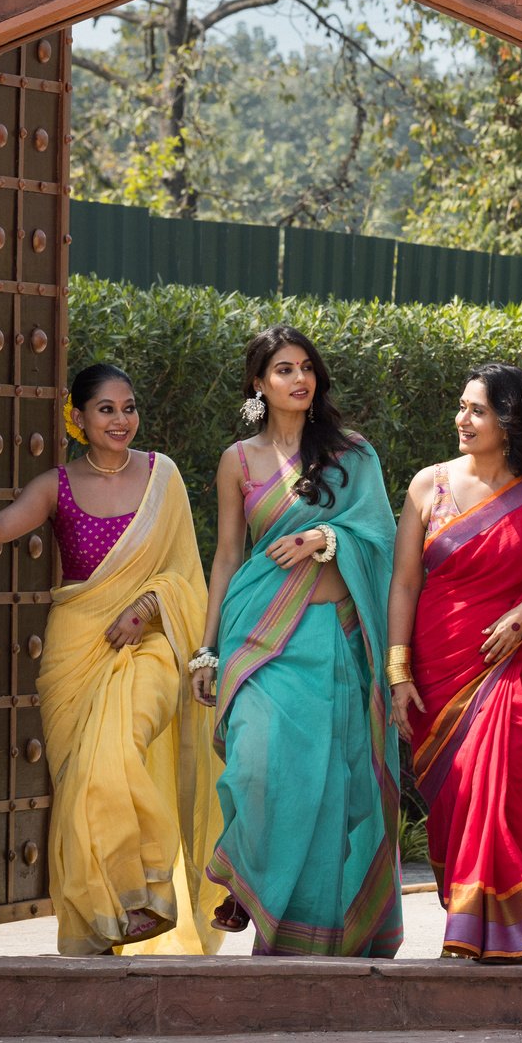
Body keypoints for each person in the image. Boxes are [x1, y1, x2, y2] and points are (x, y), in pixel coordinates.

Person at [0, 363, 221, 957]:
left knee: (117, 754)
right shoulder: (57, 484)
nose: (121, 420)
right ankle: (103, 918)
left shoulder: (164, 476)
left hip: (152, 641)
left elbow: (187, 575)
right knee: (82, 780)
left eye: (129, 407)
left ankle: (145, 893)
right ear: (77, 418)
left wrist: (148, 606)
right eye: (106, 409)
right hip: (76, 649)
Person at [189, 325, 402, 957]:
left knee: (327, 782)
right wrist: (207, 649)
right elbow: (228, 555)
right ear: (259, 383)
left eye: (306, 367)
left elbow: (382, 538)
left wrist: (324, 540)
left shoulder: (352, 454)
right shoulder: (238, 460)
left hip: (330, 639)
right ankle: (248, 878)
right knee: (256, 764)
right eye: (283, 369)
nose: (298, 379)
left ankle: (305, 926)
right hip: (257, 637)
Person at [387, 362, 522, 960]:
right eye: (461, 407)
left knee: (505, 779)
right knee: (458, 792)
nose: (462, 419)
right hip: (440, 666)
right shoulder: (425, 486)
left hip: (519, 661)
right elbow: (404, 583)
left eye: (477, 410)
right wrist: (398, 673)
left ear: (509, 422)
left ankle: (497, 930)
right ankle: (475, 921)